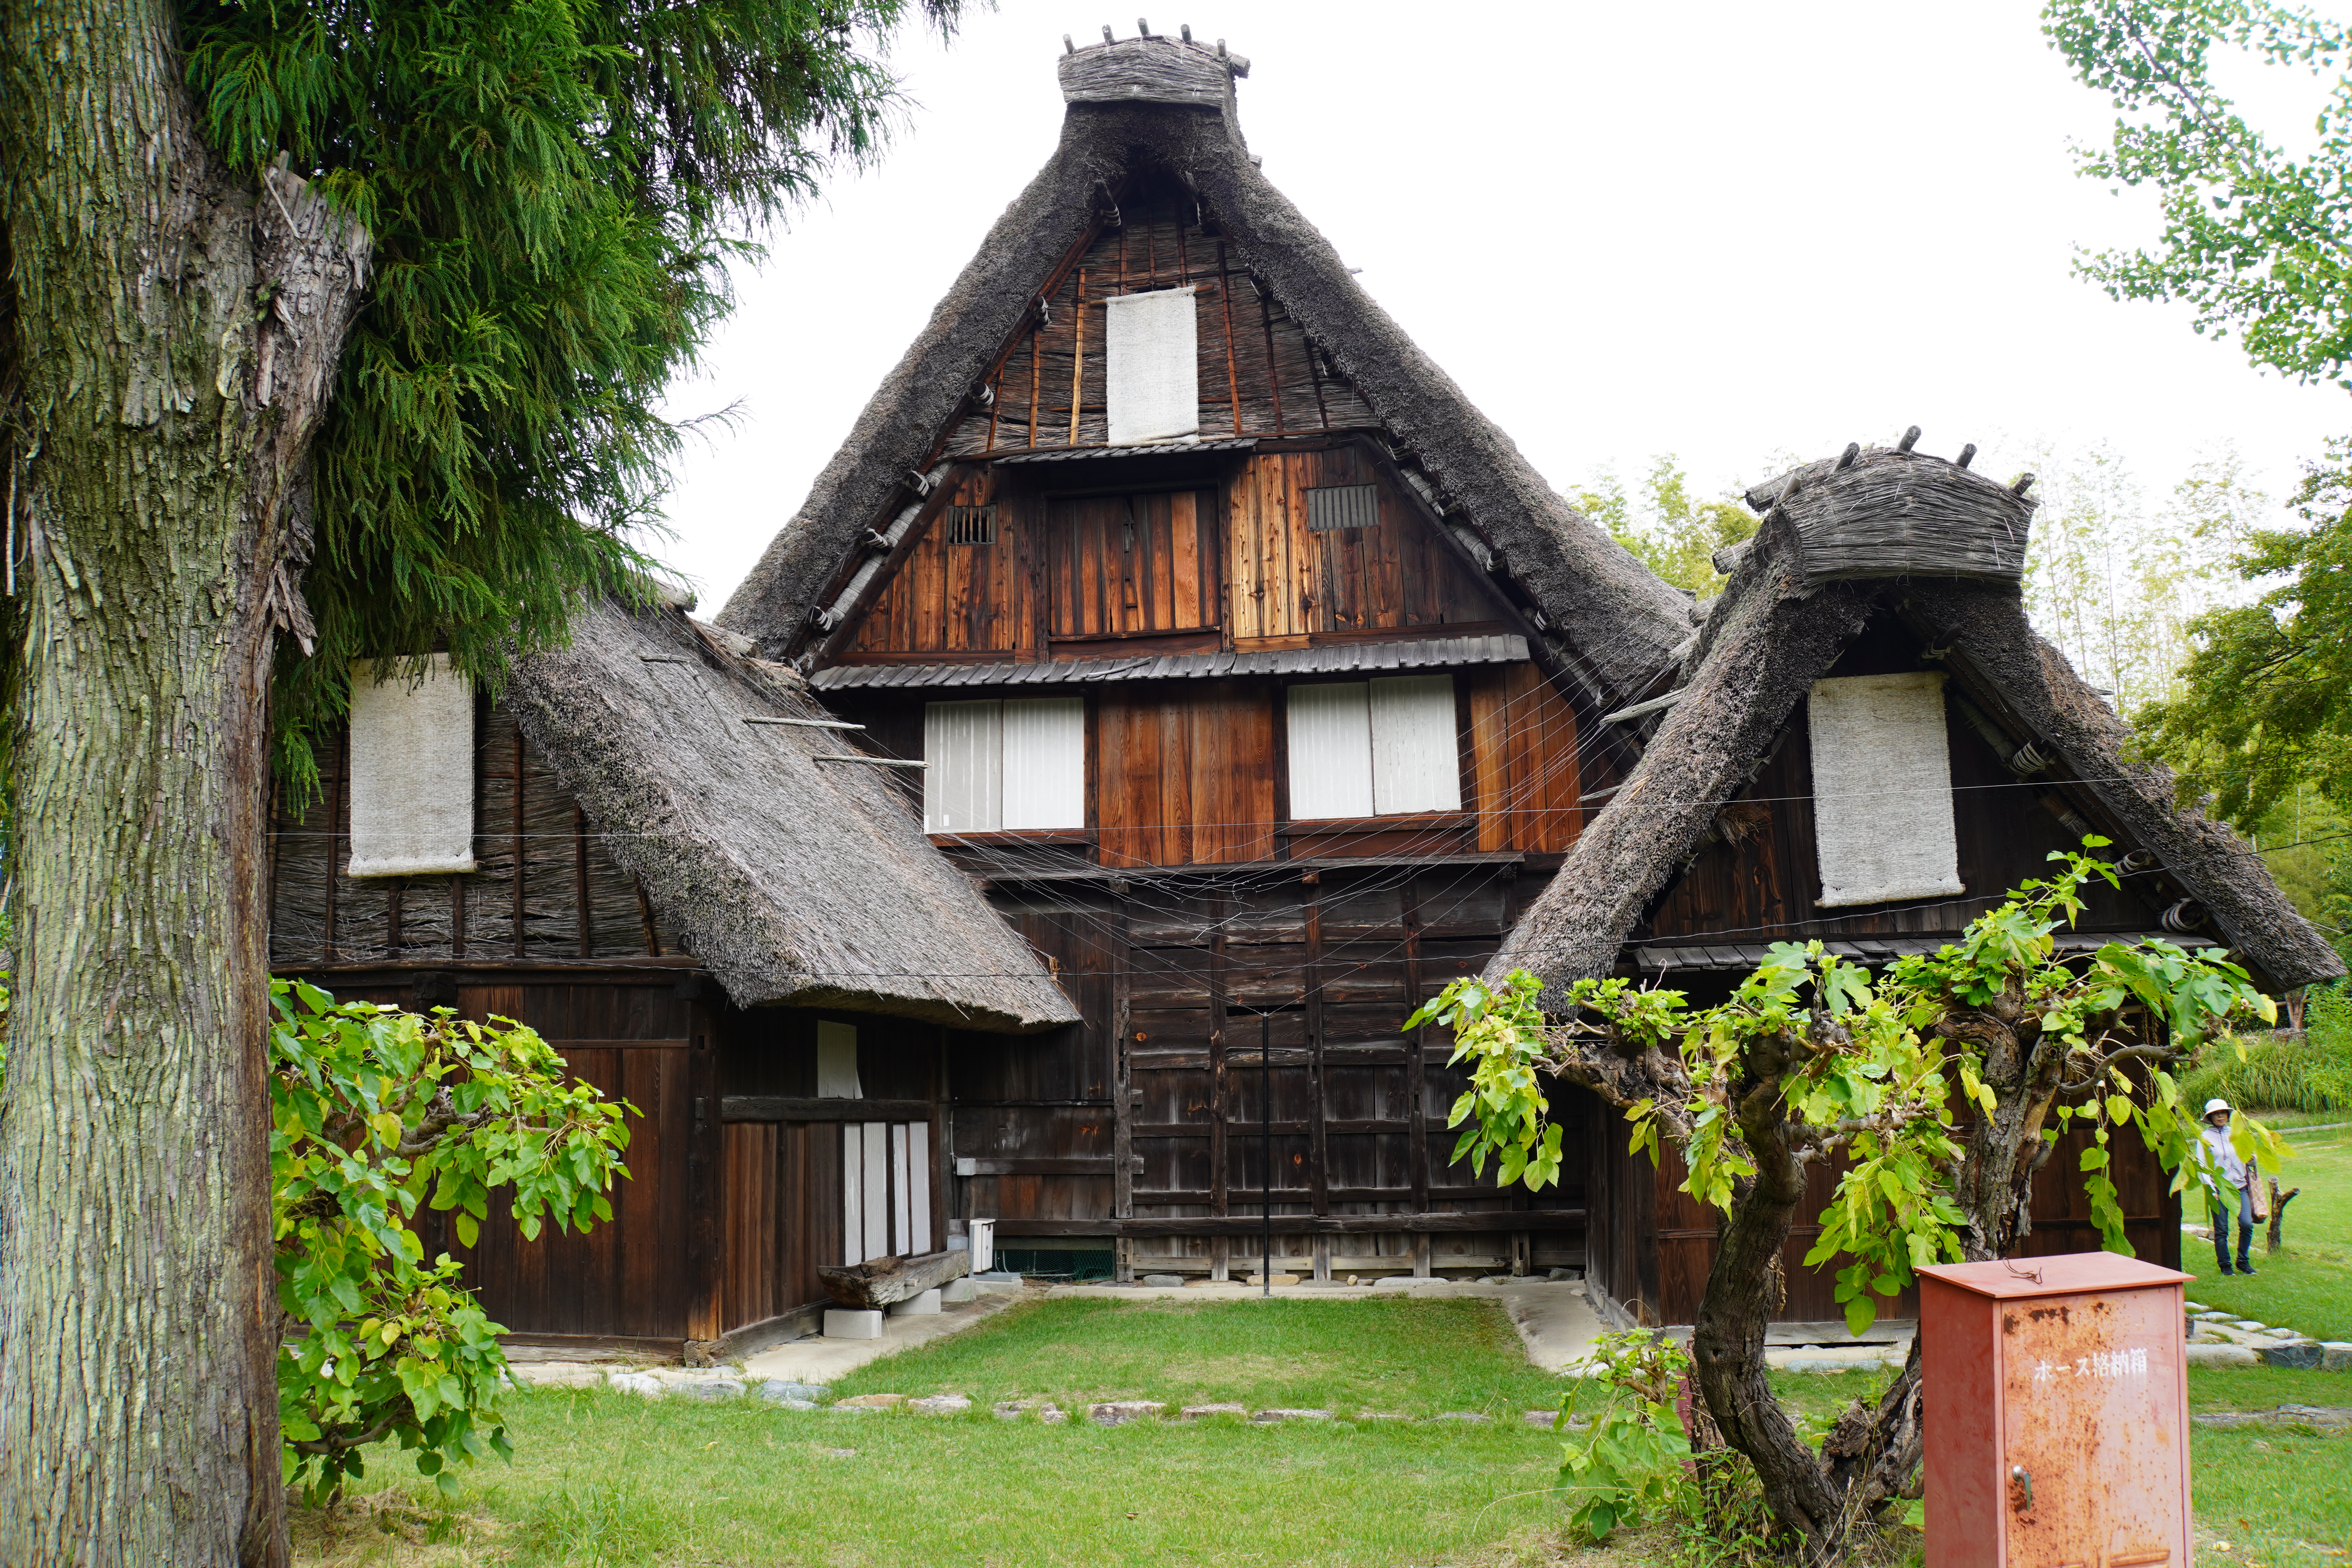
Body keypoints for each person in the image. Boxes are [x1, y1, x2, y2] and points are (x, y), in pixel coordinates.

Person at [2201, 1098, 2258, 1276]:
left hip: (2241, 1186)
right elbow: (2202, 1165)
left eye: (2223, 1113)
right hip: (2219, 1189)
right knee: (2222, 1229)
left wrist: (2252, 1160)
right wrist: (2212, 1190)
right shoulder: (2205, 1138)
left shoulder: (2236, 1133)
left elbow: (2250, 1157)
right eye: (2216, 1114)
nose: (2220, 1116)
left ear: (2228, 1115)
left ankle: (2243, 1261)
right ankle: (2225, 1265)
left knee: (2247, 1224)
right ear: (2210, 1117)